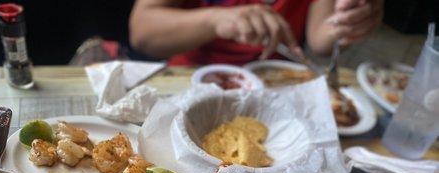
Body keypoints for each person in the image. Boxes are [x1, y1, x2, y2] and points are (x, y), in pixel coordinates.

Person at [129, 0, 384, 65]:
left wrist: (353, 19)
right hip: (193, 75)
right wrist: (216, 19)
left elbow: (321, 41)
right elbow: (142, 32)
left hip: (274, 83)